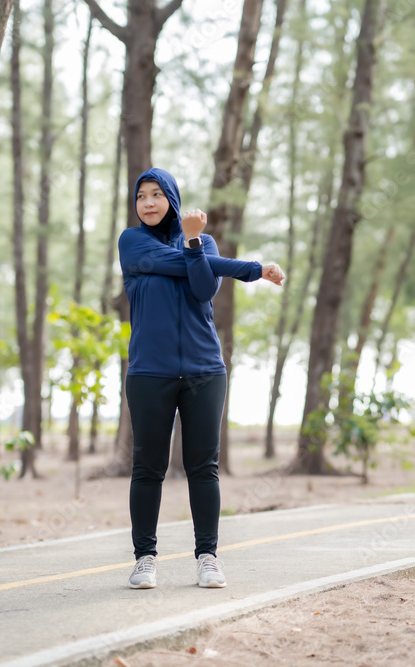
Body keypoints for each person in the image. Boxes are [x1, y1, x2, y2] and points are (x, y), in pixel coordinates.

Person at [117, 167, 285, 590]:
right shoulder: (131, 242)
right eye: (142, 196)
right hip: (149, 372)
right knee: (148, 467)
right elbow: (195, 268)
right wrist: (252, 268)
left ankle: (208, 557)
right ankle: (145, 559)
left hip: (205, 370)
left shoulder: (201, 243)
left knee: (203, 467)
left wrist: (194, 243)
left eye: (157, 194)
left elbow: (202, 289)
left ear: (172, 199)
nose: (149, 203)